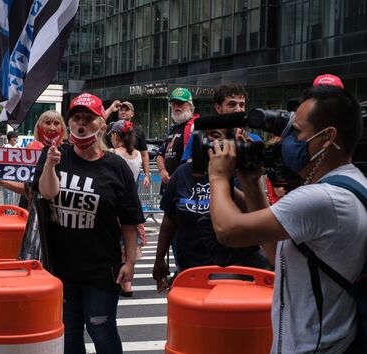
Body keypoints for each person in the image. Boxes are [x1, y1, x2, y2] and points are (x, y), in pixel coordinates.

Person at [208, 85, 367, 353]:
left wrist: (218, 175)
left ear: (327, 137)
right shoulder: (351, 185)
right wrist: (250, 183)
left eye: (296, 132)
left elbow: (227, 229)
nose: (286, 142)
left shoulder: (321, 198)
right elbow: (274, 252)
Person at [35, 93, 145, 354]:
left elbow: (130, 220)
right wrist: (50, 166)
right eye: (76, 118)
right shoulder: (57, 155)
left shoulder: (116, 166)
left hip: (101, 271)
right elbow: (47, 193)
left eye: (88, 119)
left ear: (102, 125)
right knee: (69, 335)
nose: (81, 124)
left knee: (102, 331)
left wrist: (129, 262)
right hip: (60, 270)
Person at [152, 127, 271, 291]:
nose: (208, 142)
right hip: (191, 272)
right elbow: (169, 219)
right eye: (203, 137)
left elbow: (257, 215)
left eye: (215, 136)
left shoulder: (239, 172)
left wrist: (224, 177)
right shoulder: (182, 174)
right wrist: (159, 259)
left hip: (236, 274)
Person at [108, 119, 145, 297]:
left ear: (115, 135)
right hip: (131, 203)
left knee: (115, 243)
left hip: (114, 204)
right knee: (129, 242)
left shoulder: (113, 153)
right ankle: (127, 282)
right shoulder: (137, 154)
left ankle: (118, 279)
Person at [156, 88, 199, 190]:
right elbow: (160, 154)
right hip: (169, 186)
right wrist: (162, 170)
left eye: (180, 103)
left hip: (186, 187)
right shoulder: (172, 129)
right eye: (174, 104)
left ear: (190, 105)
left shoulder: (195, 126)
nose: (176, 107)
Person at [105, 100, 151, 187]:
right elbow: (97, 124)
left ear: (132, 114)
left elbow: (144, 155)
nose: (123, 112)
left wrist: (147, 175)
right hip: (113, 174)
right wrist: (110, 109)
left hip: (131, 177)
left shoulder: (139, 131)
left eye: (126, 110)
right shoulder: (111, 127)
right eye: (121, 109)